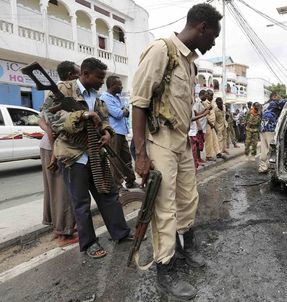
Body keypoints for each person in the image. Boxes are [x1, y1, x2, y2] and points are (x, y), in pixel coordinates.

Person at [130, 4, 222, 299]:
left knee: (188, 199)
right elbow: (139, 102)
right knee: (164, 208)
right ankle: (165, 269)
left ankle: (185, 249)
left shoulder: (189, 62)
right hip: (161, 142)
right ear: (202, 27)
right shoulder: (162, 50)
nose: (213, 43)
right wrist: (141, 154)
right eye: (214, 37)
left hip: (181, 141)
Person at [44, 57, 132, 259]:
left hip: (96, 153)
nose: (102, 81)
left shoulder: (96, 96)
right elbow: (51, 118)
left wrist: (108, 132)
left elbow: (104, 119)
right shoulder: (63, 90)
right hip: (73, 156)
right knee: (81, 203)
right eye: (99, 77)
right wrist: (82, 116)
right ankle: (89, 243)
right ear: (84, 74)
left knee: (108, 194)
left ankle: (120, 233)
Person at [39, 60, 79, 247]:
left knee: (53, 190)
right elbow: (53, 124)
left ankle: (58, 227)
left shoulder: (55, 90)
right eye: (78, 74)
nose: (80, 77)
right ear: (72, 75)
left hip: (47, 145)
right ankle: (64, 234)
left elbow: (42, 118)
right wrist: (55, 153)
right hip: (54, 147)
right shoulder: (63, 90)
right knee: (62, 190)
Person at [100, 76, 138, 193]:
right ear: (112, 85)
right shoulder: (105, 98)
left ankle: (130, 181)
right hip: (113, 133)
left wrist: (124, 111)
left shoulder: (117, 97)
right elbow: (118, 113)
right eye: (119, 85)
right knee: (115, 159)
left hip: (121, 131)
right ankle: (117, 185)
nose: (121, 87)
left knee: (126, 157)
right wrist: (123, 111)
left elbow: (125, 111)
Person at [259, 92, 287, 173]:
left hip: (263, 128)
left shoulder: (265, 105)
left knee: (264, 149)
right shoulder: (274, 103)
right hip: (270, 128)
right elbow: (286, 102)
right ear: (274, 96)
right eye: (278, 96)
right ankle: (274, 167)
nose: (279, 97)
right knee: (272, 148)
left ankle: (263, 167)